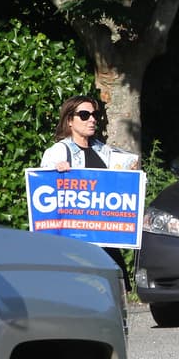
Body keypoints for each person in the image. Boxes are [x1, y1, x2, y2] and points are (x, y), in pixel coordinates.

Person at [40, 94, 134, 289]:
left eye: (94, 114)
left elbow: (122, 186)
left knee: (118, 287)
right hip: (74, 242)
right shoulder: (58, 152)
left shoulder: (105, 151)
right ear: (69, 121)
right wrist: (55, 174)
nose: (92, 119)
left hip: (104, 236)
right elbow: (43, 192)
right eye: (84, 115)